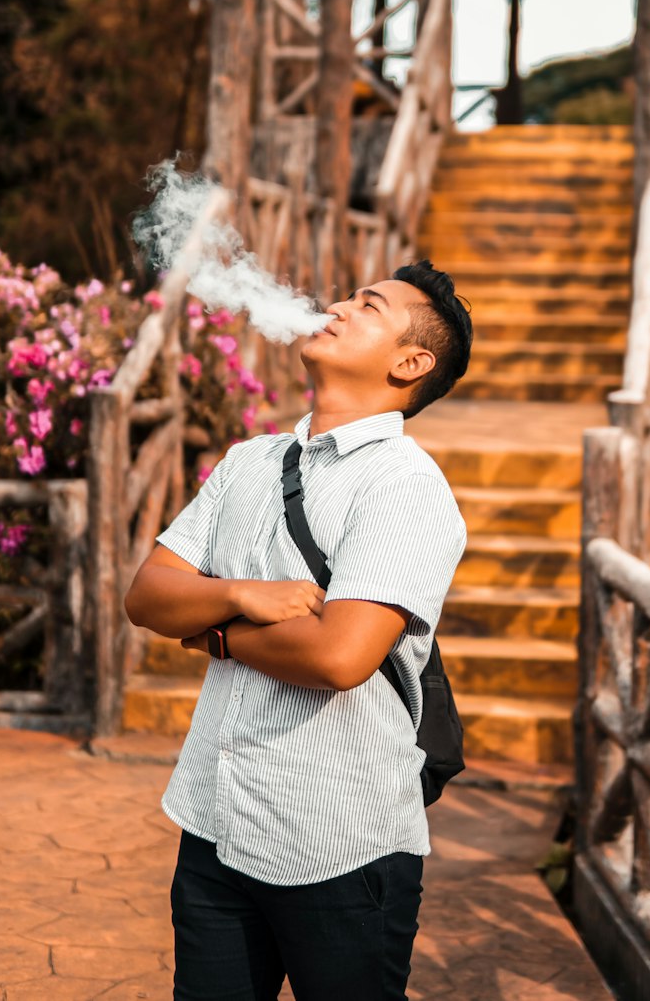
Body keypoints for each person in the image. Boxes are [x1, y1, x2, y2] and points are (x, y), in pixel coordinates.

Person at [124, 260, 472, 1001]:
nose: (339, 304)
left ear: (411, 363)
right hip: (216, 820)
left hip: (341, 844)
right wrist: (245, 594)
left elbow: (341, 655)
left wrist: (215, 632)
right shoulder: (250, 461)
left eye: (369, 305)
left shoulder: (405, 486)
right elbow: (149, 595)